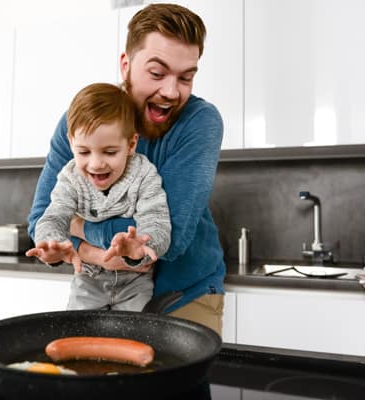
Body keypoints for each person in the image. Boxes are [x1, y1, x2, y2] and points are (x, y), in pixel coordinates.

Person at [28, 3, 226, 335]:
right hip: (96, 289)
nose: (171, 92)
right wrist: (96, 253)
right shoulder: (80, 121)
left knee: (176, 388)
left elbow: (169, 240)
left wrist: (77, 226)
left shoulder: (200, 122)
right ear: (126, 64)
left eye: (186, 77)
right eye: (157, 73)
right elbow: (40, 220)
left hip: (184, 295)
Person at [26, 82, 171, 311]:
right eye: (83, 152)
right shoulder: (70, 178)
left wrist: (141, 247)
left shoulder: (145, 175)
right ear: (71, 143)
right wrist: (52, 243)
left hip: (136, 283)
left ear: (131, 144)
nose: (96, 164)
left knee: (133, 342)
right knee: (78, 342)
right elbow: (53, 217)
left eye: (110, 152)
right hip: (87, 280)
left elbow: (157, 222)